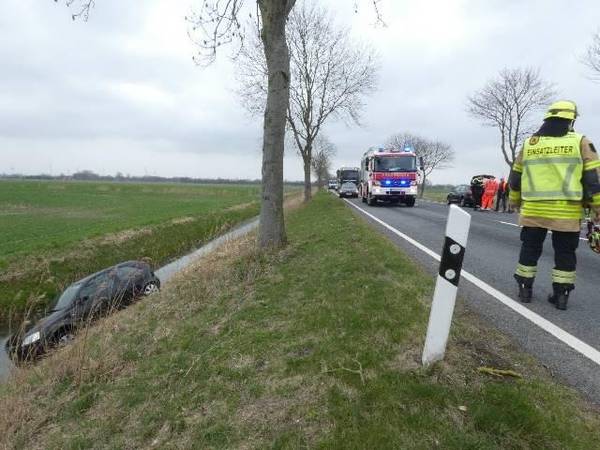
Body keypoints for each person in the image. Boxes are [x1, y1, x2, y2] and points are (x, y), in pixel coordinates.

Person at [509, 100, 600, 310]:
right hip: (566, 212)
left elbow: (515, 177)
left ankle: (524, 289)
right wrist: (597, 207)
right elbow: (593, 180)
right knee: (565, 254)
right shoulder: (581, 142)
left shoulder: (530, 143)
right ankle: (561, 296)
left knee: (529, 249)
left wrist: (514, 201)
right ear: (571, 119)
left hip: (533, 210)